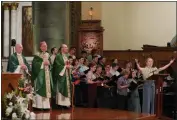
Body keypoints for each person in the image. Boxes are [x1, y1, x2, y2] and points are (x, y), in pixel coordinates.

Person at [31, 41, 53, 110]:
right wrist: (43, 63)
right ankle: (39, 106)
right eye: (43, 46)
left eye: (46, 46)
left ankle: (46, 106)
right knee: (40, 90)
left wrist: (49, 64)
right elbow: (34, 65)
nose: (45, 47)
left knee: (46, 90)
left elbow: (51, 66)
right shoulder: (37, 55)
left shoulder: (48, 55)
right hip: (40, 75)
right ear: (40, 47)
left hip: (47, 74)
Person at [52, 44, 72, 108]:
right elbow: (57, 66)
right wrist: (66, 67)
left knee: (67, 88)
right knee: (61, 89)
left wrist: (69, 67)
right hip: (61, 76)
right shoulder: (58, 56)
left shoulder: (66, 56)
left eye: (67, 47)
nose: (67, 49)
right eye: (66, 47)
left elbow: (66, 65)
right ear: (62, 49)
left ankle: (66, 104)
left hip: (66, 75)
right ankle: (60, 104)